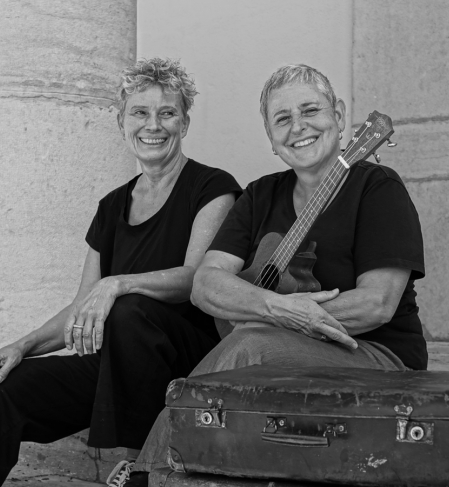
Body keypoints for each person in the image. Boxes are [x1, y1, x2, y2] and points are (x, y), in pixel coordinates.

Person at [0, 58, 242, 487]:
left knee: (130, 307)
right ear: (121, 121)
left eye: (167, 112)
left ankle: (141, 466)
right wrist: (21, 346)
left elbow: (198, 278)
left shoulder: (212, 187)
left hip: (187, 363)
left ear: (184, 123)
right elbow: (83, 306)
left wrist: (118, 284)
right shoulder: (112, 206)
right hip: (116, 365)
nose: (154, 125)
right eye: (140, 112)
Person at [135, 64, 426, 475]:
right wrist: (276, 308)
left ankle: (148, 475)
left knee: (251, 345)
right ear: (271, 139)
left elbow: (376, 305)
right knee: (245, 341)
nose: (298, 127)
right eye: (282, 119)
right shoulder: (259, 195)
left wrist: (269, 321)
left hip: (377, 357)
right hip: (286, 352)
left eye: (310, 111)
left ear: (339, 117)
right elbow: (205, 284)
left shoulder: (377, 188)